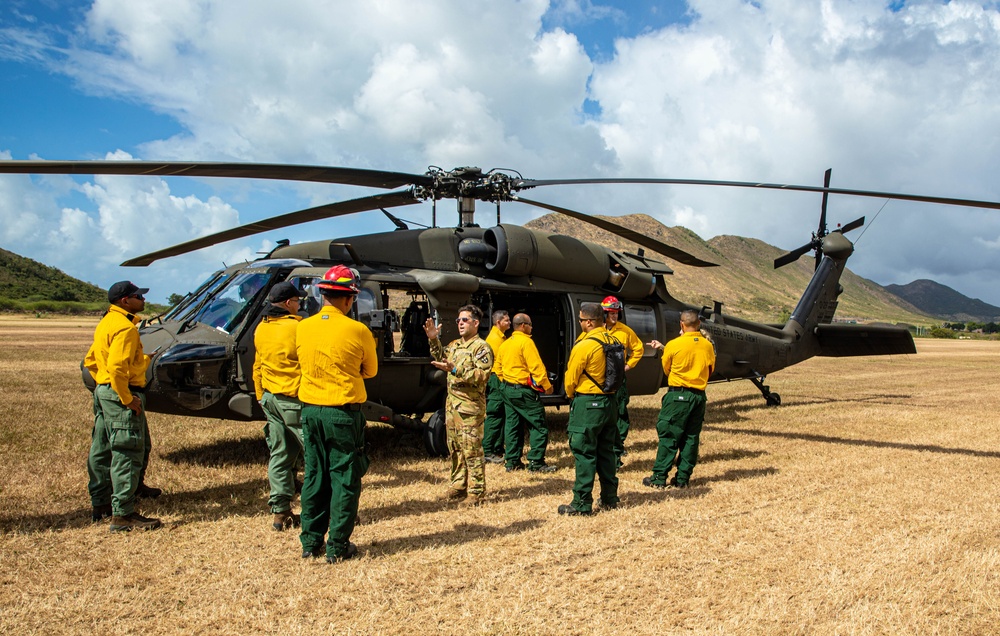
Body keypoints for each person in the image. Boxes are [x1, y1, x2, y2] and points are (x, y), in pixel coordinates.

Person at [296, 265, 377, 563]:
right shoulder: (357, 330)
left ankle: (310, 542)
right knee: (344, 477)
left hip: (310, 412)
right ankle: (338, 546)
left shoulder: (302, 327)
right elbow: (371, 370)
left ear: (323, 295)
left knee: (314, 475)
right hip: (343, 414)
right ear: (348, 299)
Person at [84, 281, 162, 532]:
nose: (143, 300)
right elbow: (119, 368)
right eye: (138, 296)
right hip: (121, 391)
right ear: (125, 301)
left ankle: (101, 504)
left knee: (102, 448)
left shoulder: (106, 322)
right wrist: (126, 398)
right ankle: (123, 514)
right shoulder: (125, 329)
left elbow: (90, 360)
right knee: (128, 451)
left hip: (104, 390)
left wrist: (105, 386)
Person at [423, 305, 493, 505]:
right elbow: (441, 357)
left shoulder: (481, 348)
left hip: (469, 408)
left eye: (464, 320)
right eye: (458, 321)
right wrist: (433, 339)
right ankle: (458, 486)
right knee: (455, 448)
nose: (460, 324)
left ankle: (477, 491)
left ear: (476, 323)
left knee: (472, 449)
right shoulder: (455, 345)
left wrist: (455, 370)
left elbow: (481, 376)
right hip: (453, 407)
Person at [252, 281, 305, 531]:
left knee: (280, 455)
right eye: (297, 301)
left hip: (271, 399)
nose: (299, 305)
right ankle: (325, 508)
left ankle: (280, 511)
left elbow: (257, 366)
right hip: (294, 401)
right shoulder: (298, 327)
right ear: (287, 303)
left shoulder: (262, 328)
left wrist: (261, 396)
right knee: (317, 455)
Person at [558, 302, 620, 516]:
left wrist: (570, 394)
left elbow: (571, 377)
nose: (581, 323)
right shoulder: (613, 340)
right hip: (610, 403)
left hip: (589, 403)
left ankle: (582, 503)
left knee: (584, 452)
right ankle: (610, 498)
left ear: (590, 322)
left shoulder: (584, 345)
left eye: (582, 320)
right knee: (606, 451)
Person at [643, 309, 716, 489]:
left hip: (678, 395)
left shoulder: (674, 344)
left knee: (669, 436)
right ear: (699, 324)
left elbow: (667, 369)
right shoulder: (708, 345)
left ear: (681, 325)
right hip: (699, 396)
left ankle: (659, 477)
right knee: (691, 438)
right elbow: (710, 369)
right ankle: (683, 478)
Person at [496, 313, 556, 473]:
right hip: (523, 391)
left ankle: (512, 461)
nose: (532, 327)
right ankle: (536, 462)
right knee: (539, 425)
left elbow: (497, 367)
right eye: (530, 324)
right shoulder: (526, 342)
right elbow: (537, 367)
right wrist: (547, 386)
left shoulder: (505, 343)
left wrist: (506, 380)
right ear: (523, 326)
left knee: (512, 425)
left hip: (507, 389)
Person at [600, 296, 645, 466]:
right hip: (600, 377)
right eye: (611, 313)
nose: (614, 316)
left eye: (616, 313)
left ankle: (618, 445)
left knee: (619, 411)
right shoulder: (596, 330)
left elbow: (639, 348)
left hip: (618, 378)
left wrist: (629, 365)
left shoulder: (625, 331)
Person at [482, 310, 510, 463]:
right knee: (494, 414)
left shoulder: (501, 337)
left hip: (499, 378)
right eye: (506, 320)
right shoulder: (495, 339)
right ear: (498, 322)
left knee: (501, 414)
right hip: (497, 378)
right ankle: (487, 449)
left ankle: (498, 448)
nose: (509, 323)